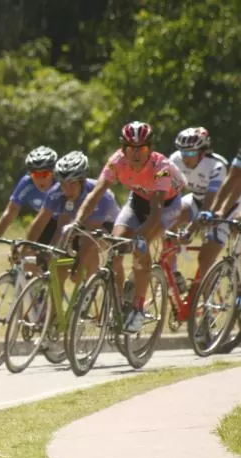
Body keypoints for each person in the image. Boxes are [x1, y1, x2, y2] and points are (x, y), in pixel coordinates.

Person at [66, 121, 186, 333]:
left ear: (150, 148)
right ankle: (120, 304)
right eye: (131, 149)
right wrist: (77, 222)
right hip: (138, 201)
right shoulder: (117, 161)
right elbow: (95, 194)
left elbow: (156, 212)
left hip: (165, 206)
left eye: (143, 149)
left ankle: (138, 308)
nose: (137, 154)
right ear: (123, 149)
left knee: (141, 247)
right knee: (116, 246)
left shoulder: (161, 168)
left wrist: (140, 236)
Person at [26, 151, 119, 280]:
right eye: (63, 184)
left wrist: (79, 264)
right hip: (78, 225)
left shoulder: (100, 195)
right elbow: (45, 223)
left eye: (72, 183)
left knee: (88, 251)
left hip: (106, 226)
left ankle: (89, 289)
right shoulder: (57, 192)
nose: (67, 189)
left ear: (82, 181)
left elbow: (89, 237)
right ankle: (56, 298)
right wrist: (27, 248)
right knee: (58, 264)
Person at [169, 127, 230, 284]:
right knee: (169, 217)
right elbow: (162, 182)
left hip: (221, 208)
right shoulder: (175, 159)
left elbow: (210, 204)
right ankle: (173, 273)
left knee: (205, 259)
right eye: (182, 151)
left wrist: (190, 230)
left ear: (202, 152)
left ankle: (208, 302)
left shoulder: (217, 166)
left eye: (190, 153)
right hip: (196, 199)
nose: (184, 157)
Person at [0, 146, 58, 258]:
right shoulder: (27, 184)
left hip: (69, 220)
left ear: (53, 172)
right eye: (35, 174)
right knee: (23, 258)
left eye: (45, 174)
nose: (40, 179)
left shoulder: (61, 185)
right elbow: (9, 214)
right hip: (46, 222)